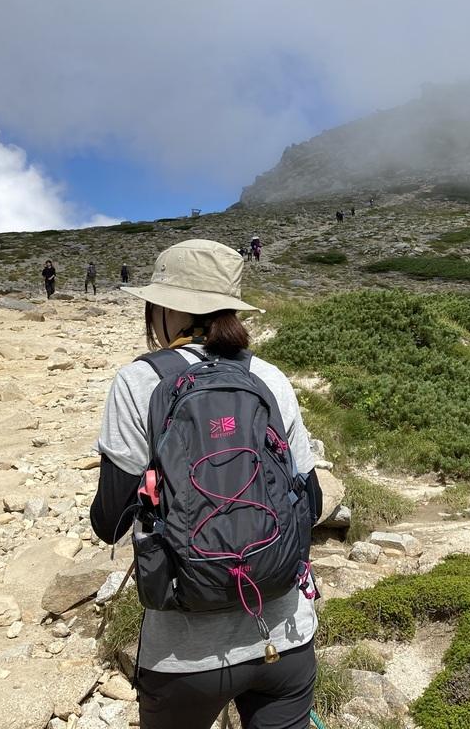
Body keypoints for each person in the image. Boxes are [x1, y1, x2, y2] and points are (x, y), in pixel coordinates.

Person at [89, 239, 321, 729]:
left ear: (166, 308)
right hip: (284, 635)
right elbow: (312, 502)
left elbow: (109, 523)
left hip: (184, 655)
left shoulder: (138, 381)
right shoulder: (269, 377)